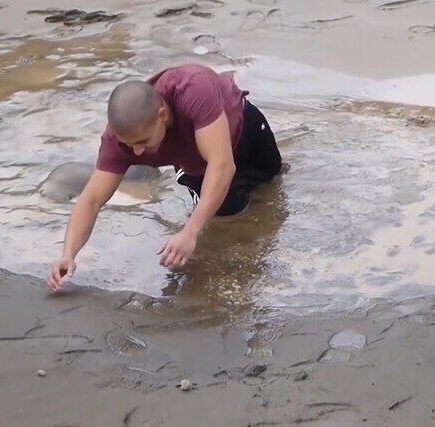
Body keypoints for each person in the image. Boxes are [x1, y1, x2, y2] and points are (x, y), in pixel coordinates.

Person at [47, 63, 283, 292]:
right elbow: (91, 200)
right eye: (128, 145)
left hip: (247, 128)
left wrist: (189, 232)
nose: (136, 152)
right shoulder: (116, 142)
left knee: (274, 185)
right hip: (198, 165)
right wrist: (68, 254)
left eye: (142, 142)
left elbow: (222, 165)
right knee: (226, 219)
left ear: (162, 115)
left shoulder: (192, 89)